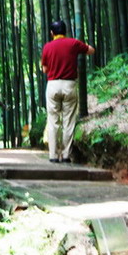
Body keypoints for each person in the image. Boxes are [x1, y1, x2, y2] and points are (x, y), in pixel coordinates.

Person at [41, 20, 95, 163]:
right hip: (69, 85)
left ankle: (53, 155)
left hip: (52, 85)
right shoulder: (73, 43)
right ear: (65, 32)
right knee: (68, 121)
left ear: (52, 33)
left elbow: (44, 69)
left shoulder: (47, 47)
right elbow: (90, 50)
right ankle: (65, 155)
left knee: (53, 122)